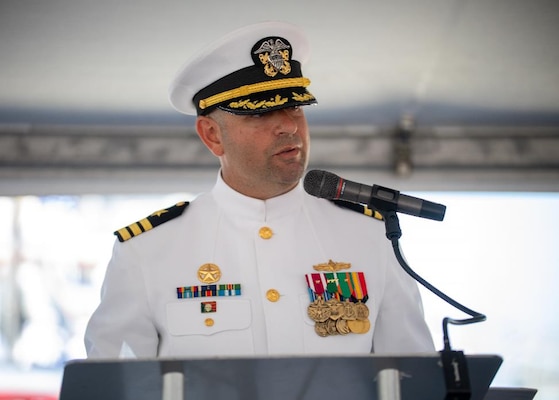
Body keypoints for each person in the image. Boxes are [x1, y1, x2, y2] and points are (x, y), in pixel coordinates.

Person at [84, 21, 434, 358]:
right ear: (212, 135)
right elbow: (115, 386)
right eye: (259, 113)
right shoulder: (146, 251)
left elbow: (416, 376)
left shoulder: (371, 236)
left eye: (295, 106)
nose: (287, 124)